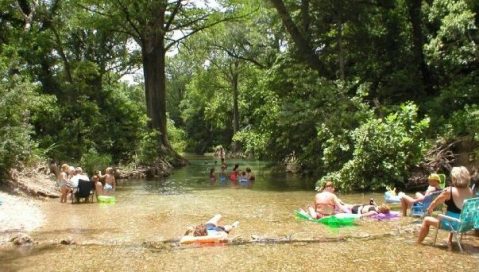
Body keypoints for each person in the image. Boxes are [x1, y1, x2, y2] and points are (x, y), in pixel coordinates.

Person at [417, 166, 473, 248]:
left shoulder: (449, 191)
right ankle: (449, 240)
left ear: (454, 178)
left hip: (454, 224)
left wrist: (429, 210)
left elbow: (434, 202)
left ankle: (418, 243)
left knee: (426, 220)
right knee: (452, 213)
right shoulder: (470, 190)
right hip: (465, 224)